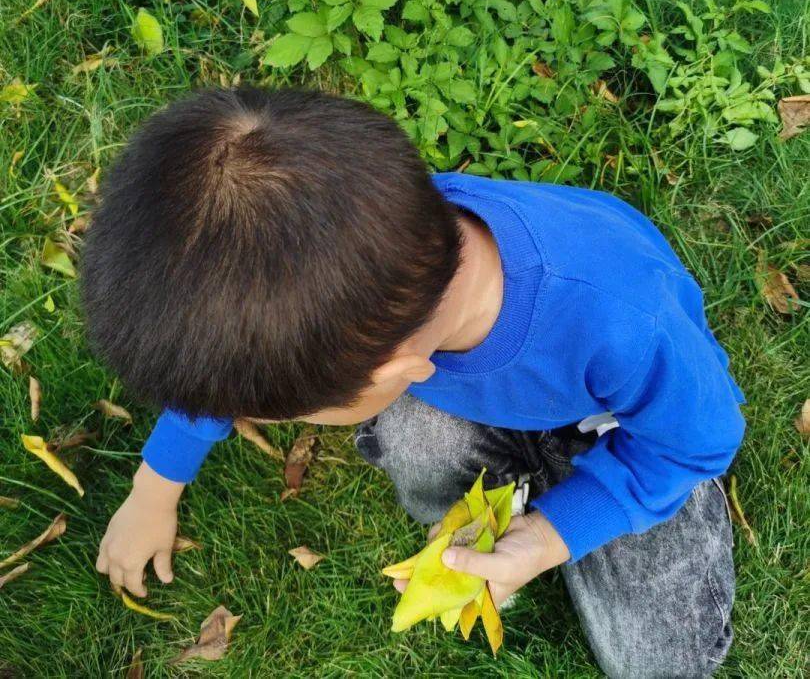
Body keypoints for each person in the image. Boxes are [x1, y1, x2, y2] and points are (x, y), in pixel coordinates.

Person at [83, 88, 744, 678]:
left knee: (660, 660)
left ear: (395, 375)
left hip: (635, 429)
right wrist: (154, 487)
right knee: (417, 447)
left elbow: (700, 441)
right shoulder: (365, 231)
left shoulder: (625, 324)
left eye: (294, 415)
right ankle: (499, 502)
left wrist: (549, 538)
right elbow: (229, 358)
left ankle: (566, 489)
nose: (271, 419)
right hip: (493, 386)